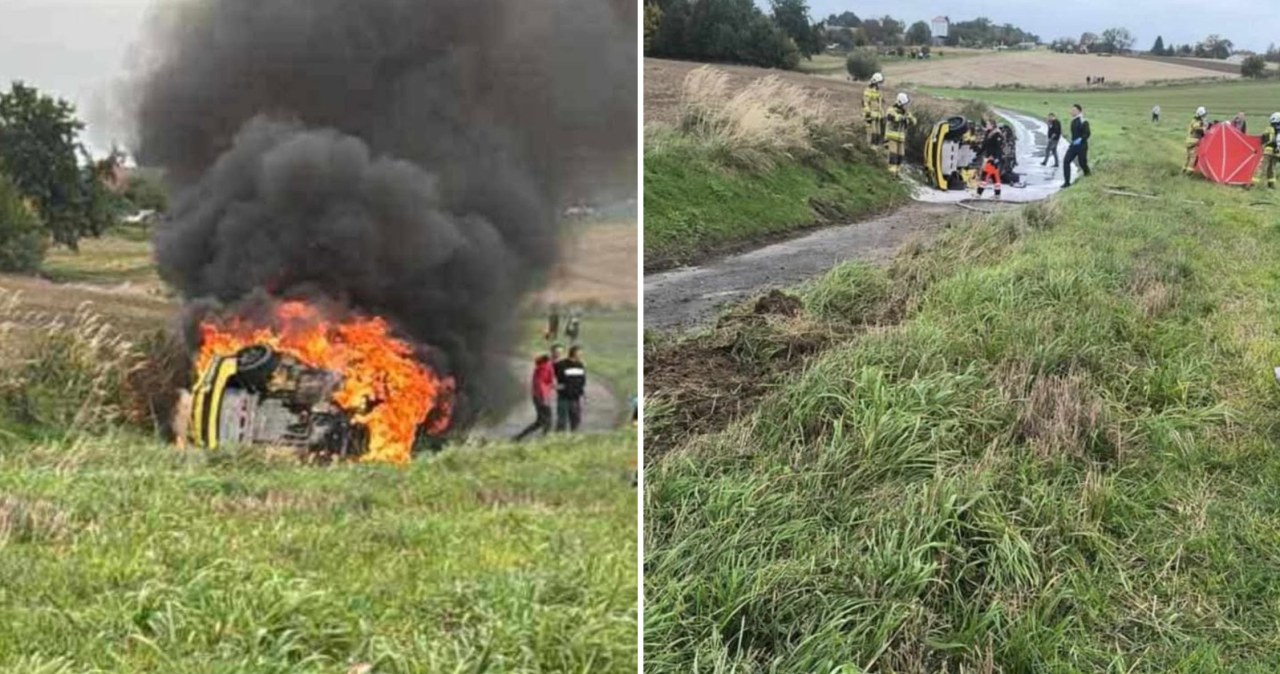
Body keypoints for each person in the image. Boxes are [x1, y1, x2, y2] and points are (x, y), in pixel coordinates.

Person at [513, 354, 556, 441]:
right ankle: (546, 438)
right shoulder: (546, 368)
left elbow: (543, 383)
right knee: (547, 419)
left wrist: (552, 386)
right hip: (542, 397)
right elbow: (540, 384)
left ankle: (519, 437)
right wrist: (544, 398)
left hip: (538, 396)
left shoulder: (540, 367)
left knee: (541, 421)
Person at [555, 346, 586, 432]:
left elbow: (582, 381)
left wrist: (582, 393)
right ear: (574, 353)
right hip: (563, 397)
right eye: (579, 353)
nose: (581, 355)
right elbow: (552, 375)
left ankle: (572, 439)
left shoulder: (580, 365)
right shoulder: (562, 364)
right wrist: (555, 386)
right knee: (562, 421)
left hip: (575, 398)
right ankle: (558, 439)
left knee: (576, 420)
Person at [884, 92, 916, 175]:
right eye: (905, 104)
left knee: (900, 156)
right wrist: (903, 118)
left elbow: (914, 121)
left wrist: (910, 118)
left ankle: (897, 172)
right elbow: (893, 117)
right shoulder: (891, 110)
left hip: (900, 138)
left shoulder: (905, 112)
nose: (906, 106)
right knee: (893, 155)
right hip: (892, 137)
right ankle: (891, 173)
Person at [1062, 103, 1091, 188]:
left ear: (1079, 111)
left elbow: (1087, 133)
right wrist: (1072, 142)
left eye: (1074, 110)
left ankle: (1088, 174)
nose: (1072, 111)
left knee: (1082, 163)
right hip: (1073, 146)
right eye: (1072, 110)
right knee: (1066, 161)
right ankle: (1067, 183)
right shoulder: (1073, 120)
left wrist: (1081, 139)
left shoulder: (1083, 121)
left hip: (1082, 146)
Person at [976, 120, 1005, 199]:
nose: (987, 126)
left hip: (993, 158)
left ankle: (979, 193)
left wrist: (995, 157)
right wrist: (978, 154)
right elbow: (985, 146)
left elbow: (998, 148)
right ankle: (997, 194)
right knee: (995, 176)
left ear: (992, 125)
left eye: (988, 124)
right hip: (989, 156)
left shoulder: (997, 134)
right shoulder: (989, 133)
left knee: (985, 175)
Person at [862, 72, 886, 150]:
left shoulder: (878, 91)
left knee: (878, 133)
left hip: (877, 117)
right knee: (871, 134)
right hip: (870, 117)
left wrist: (883, 115)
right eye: (879, 82)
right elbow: (865, 103)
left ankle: (876, 150)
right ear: (875, 82)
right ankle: (869, 150)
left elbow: (879, 105)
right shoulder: (868, 91)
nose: (880, 84)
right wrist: (867, 114)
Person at [1257, 112, 1280, 190]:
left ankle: (1255, 184)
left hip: (1268, 151)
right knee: (1271, 168)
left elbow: (1263, 138)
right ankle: (1271, 184)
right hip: (1277, 153)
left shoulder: (1269, 128)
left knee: (1261, 167)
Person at [1184, 106, 1208, 174]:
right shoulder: (1197, 121)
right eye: (1203, 115)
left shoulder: (1194, 120)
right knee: (1193, 157)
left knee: (1188, 157)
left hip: (1189, 140)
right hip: (1194, 141)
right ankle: (1189, 173)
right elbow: (1196, 128)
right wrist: (1204, 129)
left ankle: (1184, 170)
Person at [549, 343, 565, 427]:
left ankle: (561, 427)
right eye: (557, 352)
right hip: (557, 388)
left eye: (560, 352)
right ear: (552, 352)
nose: (559, 354)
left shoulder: (565, 362)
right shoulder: (549, 363)